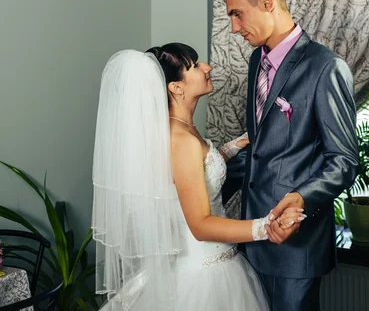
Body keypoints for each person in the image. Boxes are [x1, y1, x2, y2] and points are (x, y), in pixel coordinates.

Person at [92, 43, 305, 311]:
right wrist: (267, 227)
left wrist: (235, 145)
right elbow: (201, 226)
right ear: (176, 88)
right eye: (195, 65)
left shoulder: (181, 129)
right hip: (203, 276)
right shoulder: (181, 140)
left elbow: (198, 170)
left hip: (217, 262)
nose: (208, 67)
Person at [222, 0, 359, 311]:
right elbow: (260, 149)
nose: (234, 28)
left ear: (267, 2)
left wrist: (301, 198)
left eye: (238, 15)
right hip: (251, 237)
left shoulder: (326, 67)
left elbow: (343, 160)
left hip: (295, 245)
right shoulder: (257, 61)